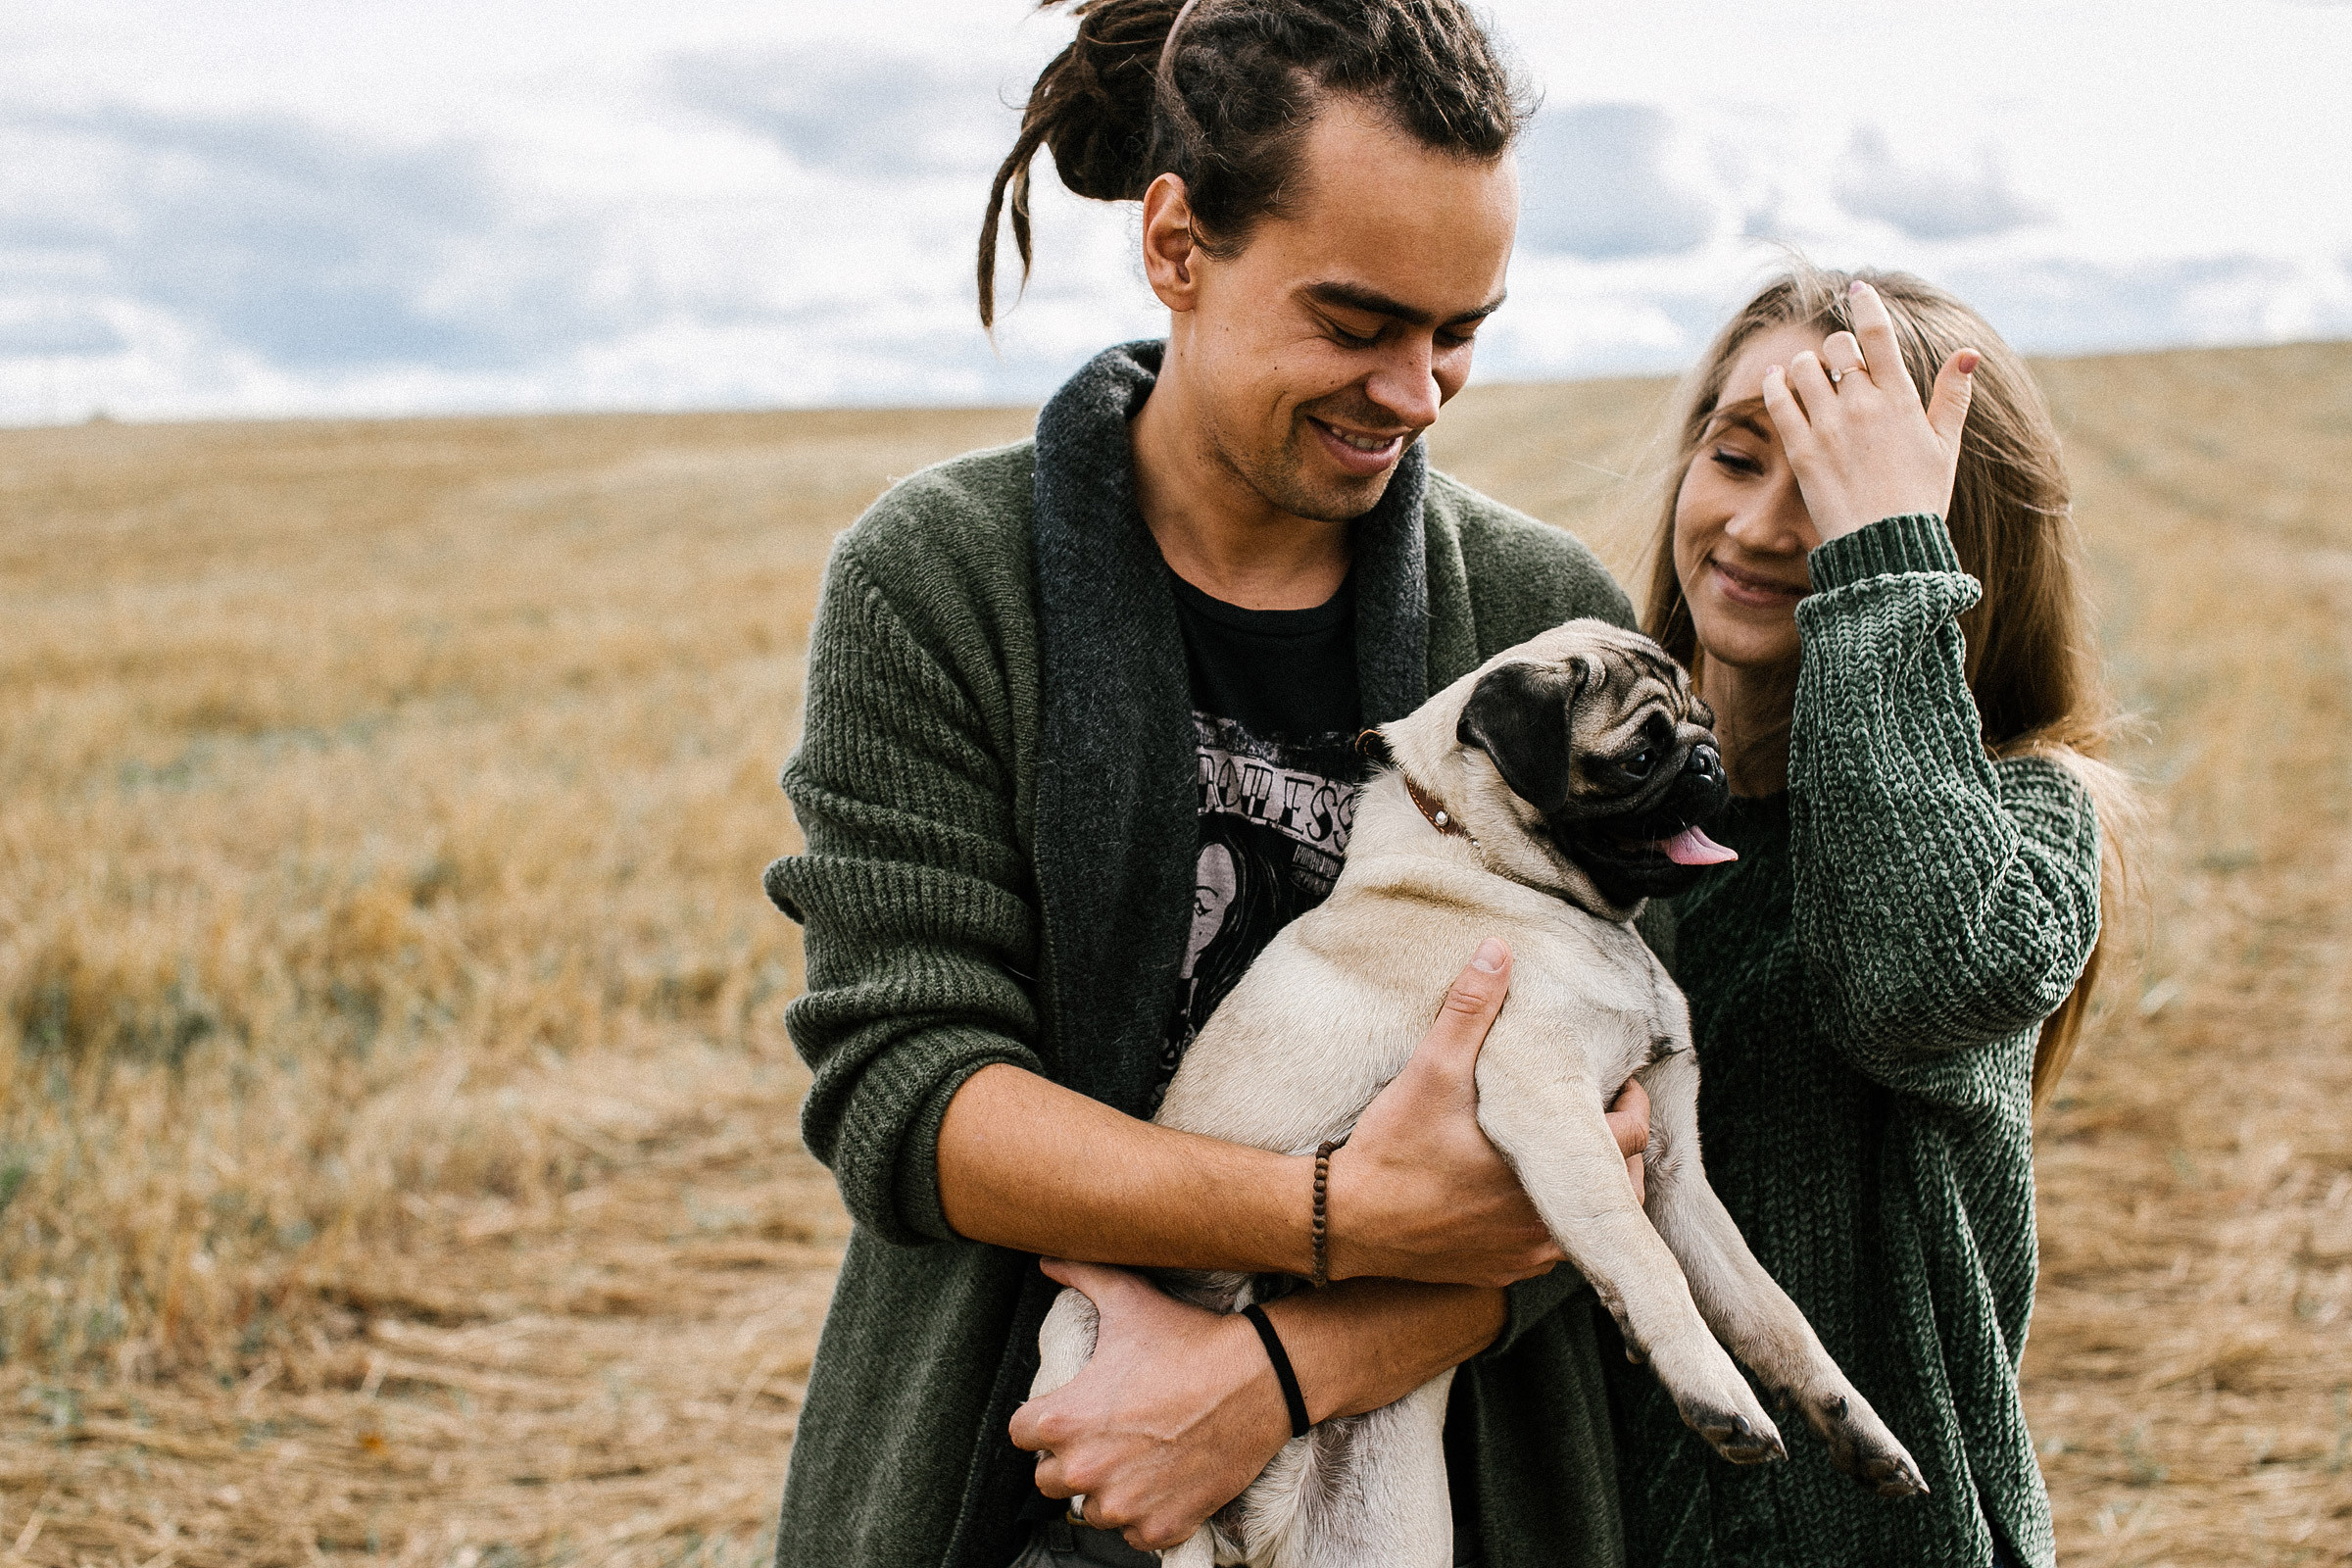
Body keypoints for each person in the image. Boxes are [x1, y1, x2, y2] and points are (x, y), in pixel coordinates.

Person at [761, 2, 1657, 1564]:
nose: (1417, 391)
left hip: (1456, 1490)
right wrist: (1339, 1217)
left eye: (1461, 330)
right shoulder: (942, 579)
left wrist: (1270, 1377)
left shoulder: (1538, 618)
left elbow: (1618, 1147)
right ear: (1177, 245)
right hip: (1024, 1469)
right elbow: (912, 1091)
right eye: (1357, 320)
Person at [1606, 266, 2138, 1568]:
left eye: (1842, 490)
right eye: (1738, 456)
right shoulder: (1591, 820)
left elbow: (1909, 976)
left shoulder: (2028, 823)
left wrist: (1880, 573)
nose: (1768, 524)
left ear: (1950, 553)